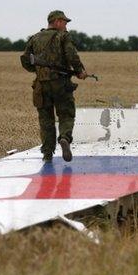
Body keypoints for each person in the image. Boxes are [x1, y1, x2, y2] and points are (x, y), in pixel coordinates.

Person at [23, 10, 88, 162]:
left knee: (46, 120)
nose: (66, 26)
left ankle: (47, 154)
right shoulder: (62, 36)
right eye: (65, 22)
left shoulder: (35, 38)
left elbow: (25, 61)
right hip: (61, 84)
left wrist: (39, 70)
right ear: (57, 21)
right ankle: (64, 138)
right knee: (66, 114)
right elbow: (72, 55)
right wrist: (80, 71)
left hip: (41, 85)